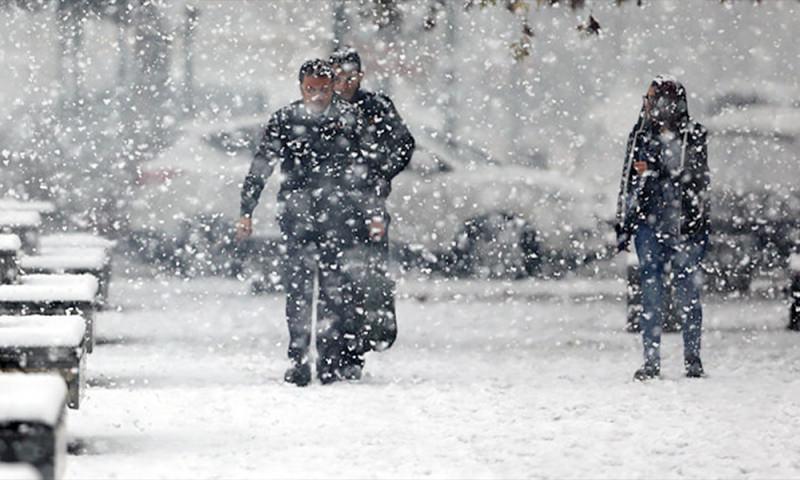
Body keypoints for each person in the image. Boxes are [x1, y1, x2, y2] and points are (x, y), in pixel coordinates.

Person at [236, 59, 377, 386]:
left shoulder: (348, 119)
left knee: (332, 290)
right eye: (311, 89)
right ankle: (300, 358)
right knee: (300, 289)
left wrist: (370, 211)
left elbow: (367, 170)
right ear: (301, 88)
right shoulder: (287, 119)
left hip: (337, 217)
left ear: (332, 87)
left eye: (323, 89)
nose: (317, 96)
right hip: (300, 216)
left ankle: (327, 359)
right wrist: (247, 209)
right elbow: (262, 163)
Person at [615, 75, 711, 381]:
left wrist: (654, 171)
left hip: (684, 226)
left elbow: (694, 177)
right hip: (649, 224)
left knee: (687, 293)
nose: (646, 105)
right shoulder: (640, 135)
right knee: (651, 292)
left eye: (651, 99)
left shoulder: (692, 135)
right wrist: (624, 221)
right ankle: (652, 361)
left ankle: (692, 359)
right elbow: (629, 180)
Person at [328, 46, 415, 354]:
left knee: (371, 271)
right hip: (330, 206)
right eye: (339, 76)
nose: (345, 83)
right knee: (334, 272)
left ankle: (368, 334)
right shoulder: (323, 108)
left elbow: (403, 144)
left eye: (350, 76)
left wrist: (380, 174)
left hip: (369, 203)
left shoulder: (376, 106)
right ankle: (340, 338)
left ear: (360, 76)